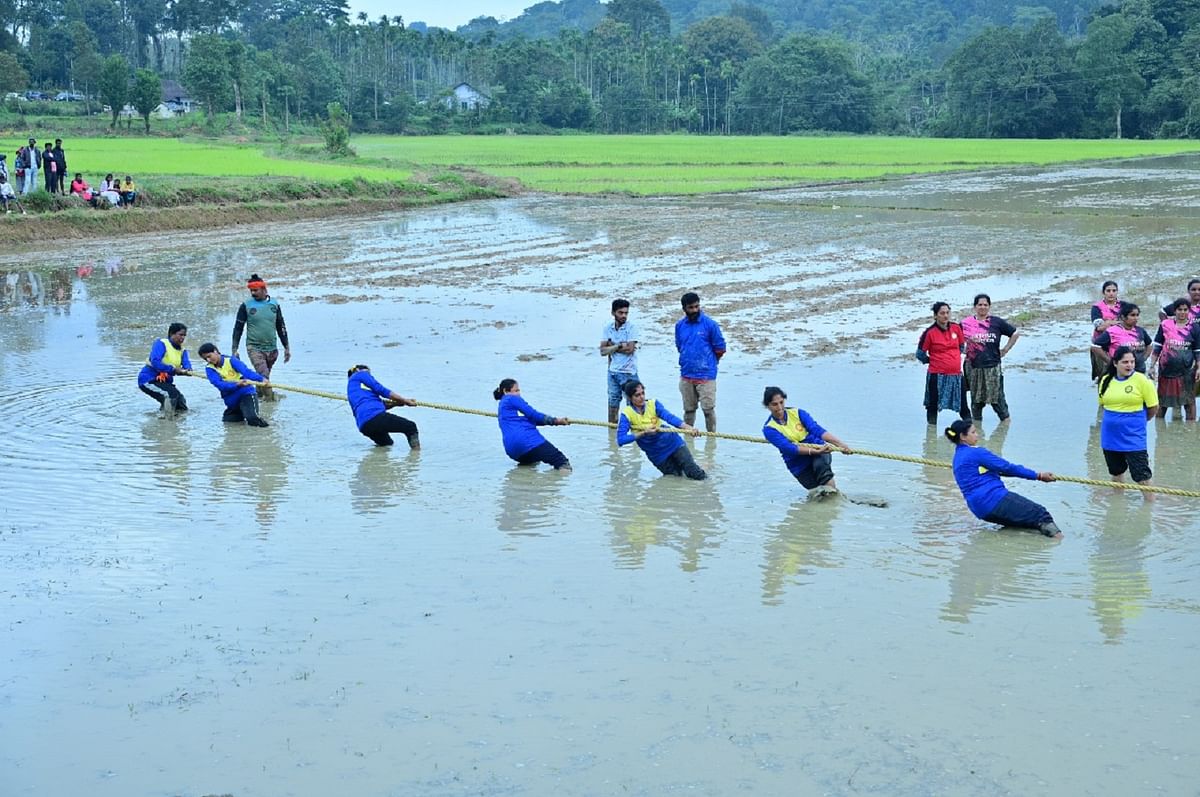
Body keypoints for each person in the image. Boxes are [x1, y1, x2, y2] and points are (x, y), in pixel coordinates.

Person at [944, 419, 1061, 537]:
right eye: (973, 432)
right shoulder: (976, 453)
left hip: (979, 510)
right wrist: (1038, 476)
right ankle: (1060, 544)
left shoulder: (957, 458)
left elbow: (997, 471)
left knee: (1026, 525)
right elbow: (1007, 467)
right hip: (993, 500)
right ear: (963, 437)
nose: (977, 435)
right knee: (1041, 515)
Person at [762, 386, 851, 494]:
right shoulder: (769, 429)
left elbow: (816, 430)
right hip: (797, 462)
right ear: (767, 406)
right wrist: (814, 451)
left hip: (819, 449)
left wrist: (840, 444)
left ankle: (836, 500)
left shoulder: (798, 413)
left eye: (781, 402)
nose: (780, 407)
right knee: (817, 493)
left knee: (825, 478)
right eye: (775, 404)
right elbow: (789, 448)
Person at [616, 380, 705, 480]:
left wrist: (688, 428)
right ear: (630, 398)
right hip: (657, 454)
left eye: (643, 393)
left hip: (673, 443)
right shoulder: (627, 414)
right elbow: (621, 440)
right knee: (676, 479)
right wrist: (643, 433)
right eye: (637, 395)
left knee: (694, 473)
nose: (642, 397)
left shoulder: (653, 404)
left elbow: (669, 417)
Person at [1098, 346, 1159, 489]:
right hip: (1110, 436)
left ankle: (1149, 506)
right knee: (1116, 471)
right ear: (1115, 363)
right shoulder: (1106, 380)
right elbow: (1103, 404)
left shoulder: (1142, 381)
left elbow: (1153, 408)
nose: (1130, 365)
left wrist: (1138, 422)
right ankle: (1117, 504)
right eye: (1125, 362)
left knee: (1142, 476)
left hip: (1133, 436)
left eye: (1132, 362)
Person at [961, 293, 1019, 421]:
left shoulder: (996, 322)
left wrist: (1005, 349)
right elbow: (954, 339)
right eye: (980, 305)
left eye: (985, 305)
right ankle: (977, 430)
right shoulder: (966, 323)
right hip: (973, 367)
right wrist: (964, 349)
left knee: (998, 401)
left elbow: (1015, 333)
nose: (982, 307)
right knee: (976, 403)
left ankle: (1004, 428)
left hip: (992, 367)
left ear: (989, 307)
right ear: (975, 307)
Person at [232, 273, 290, 400]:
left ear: (264, 289)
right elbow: (238, 328)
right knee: (264, 376)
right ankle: (271, 401)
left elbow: (281, 326)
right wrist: (234, 349)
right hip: (254, 347)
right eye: (251, 290)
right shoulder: (246, 306)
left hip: (272, 348)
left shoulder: (274, 304)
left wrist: (286, 347)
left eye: (255, 290)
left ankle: (257, 396)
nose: (253, 293)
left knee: (262, 376)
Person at [675, 291, 726, 432]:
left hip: (706, 375)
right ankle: (688, 439)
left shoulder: (710, 325)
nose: (694, 310)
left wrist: (711, 364)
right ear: (684, 308)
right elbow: (680, 346)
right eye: (691, 307)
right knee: (689, 410)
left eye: (697, 306)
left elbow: (720, 349)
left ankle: (711, 439)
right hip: (686, 375)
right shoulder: (679, 326)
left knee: (708, 410)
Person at [494, 378, 571, 470]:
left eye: (519, 390)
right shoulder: (511, 398)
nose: (519, 393)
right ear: (505, 391)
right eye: (516, 390)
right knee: (561, 462)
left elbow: (532, 419)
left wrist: (556, 422)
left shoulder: (503, 409)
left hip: (513, 451)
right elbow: (534, 415)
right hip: (528, 441)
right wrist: (556, 421)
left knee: (530, 465)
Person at [916, 301, 970, 425]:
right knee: (932, 407)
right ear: (935, 316)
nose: (945, 316)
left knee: (964, 407)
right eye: (942, 313)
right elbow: (920, 354)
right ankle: (931, 438)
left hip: (956, 375)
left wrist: (952, 358)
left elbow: (961, 346)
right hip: (937, 375)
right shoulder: (929, 333)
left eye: (947, 313)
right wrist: (932, 360)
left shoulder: (956, 328)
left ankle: (970, 434)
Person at [1148, 298, 1200, 421]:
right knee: (1162, 401)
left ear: (1189, 311)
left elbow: (1197, 350)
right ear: (1174, 311)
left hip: (1187, 371)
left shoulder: (1195, 328)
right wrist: (1151, 366)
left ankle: (1190, 429)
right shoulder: (1165, 325)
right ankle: (1160, 432)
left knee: (1189, 401)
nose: (1182, 312)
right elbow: (1158, 347)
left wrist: (1199, 368)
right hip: (1166, 370)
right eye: (1179, 309)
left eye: (1185, 310)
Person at [346, 364, 420, 448]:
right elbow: (382, 390)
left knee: (387, 444)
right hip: (374, 417)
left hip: (364, 426)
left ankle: (378, 461)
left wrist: (396, 403)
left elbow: (377, 404)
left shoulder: (354, 390)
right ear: (358, 370)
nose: (370, 375)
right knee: (410, 427)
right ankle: (416, 457)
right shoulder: (360, 374)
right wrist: (405, 401)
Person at [198, 343, 269, 427]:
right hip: (231, 399)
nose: (208, 360)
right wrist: (237, 385)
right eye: (205, 359)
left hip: (246, 394)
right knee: (229, 423)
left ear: (215, 351)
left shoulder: (231, 360)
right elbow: (220, 385)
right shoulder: (209, 369)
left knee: (252, 419)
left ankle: (267, 432)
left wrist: (262, 379)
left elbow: (246, 372)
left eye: (209, 356)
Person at [137, 322, 193, 416]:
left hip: (165, 382)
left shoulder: (183, 350)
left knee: (180, 402)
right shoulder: (161, 343)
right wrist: (173, 369)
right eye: (180, 335)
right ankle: (167, 423)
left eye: (184, 335)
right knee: (170, 396)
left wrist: (187, 370)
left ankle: (167, 421)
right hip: (149, 380)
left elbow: (187, 365)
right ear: (172, 334)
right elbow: (155, 361)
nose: (182, 338)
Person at [601, 298, 639, 425]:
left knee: (633, 405)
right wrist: (618, 346)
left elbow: (630, 349)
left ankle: (636, 438)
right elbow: (602, 351)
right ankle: (612, 437)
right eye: (620, 313)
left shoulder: (632, 327)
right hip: (612, 372)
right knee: (612, 403)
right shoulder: (608, 328)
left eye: (626, 313)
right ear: (613, 313)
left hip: (629, 372)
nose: (624, 316)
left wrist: (611, 347)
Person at [1092, 302, 1153, 373]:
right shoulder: (1112, 331)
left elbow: (1150, 345)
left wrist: (1144, 358)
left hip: (1139, 371)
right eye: (1132, 315)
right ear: (1123, 317)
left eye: (1137, 315)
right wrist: (1109, 361)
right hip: (1119, 372)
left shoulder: (1140, 331)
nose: (1136, 318)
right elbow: (1095, 346)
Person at [1091, 280, 1122, 380]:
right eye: (1108, 291)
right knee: (1104, 374)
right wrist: (1113, 322)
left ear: (1117, 292)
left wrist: (1107, 322)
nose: (1111, 293)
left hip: (1119, 344)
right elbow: (1099, 327)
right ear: (1103, 292)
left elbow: (1127, 324)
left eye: (1114, 290)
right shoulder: (1096, 307)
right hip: (1101, 346)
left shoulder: (1123, 306)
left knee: (1121, 373)